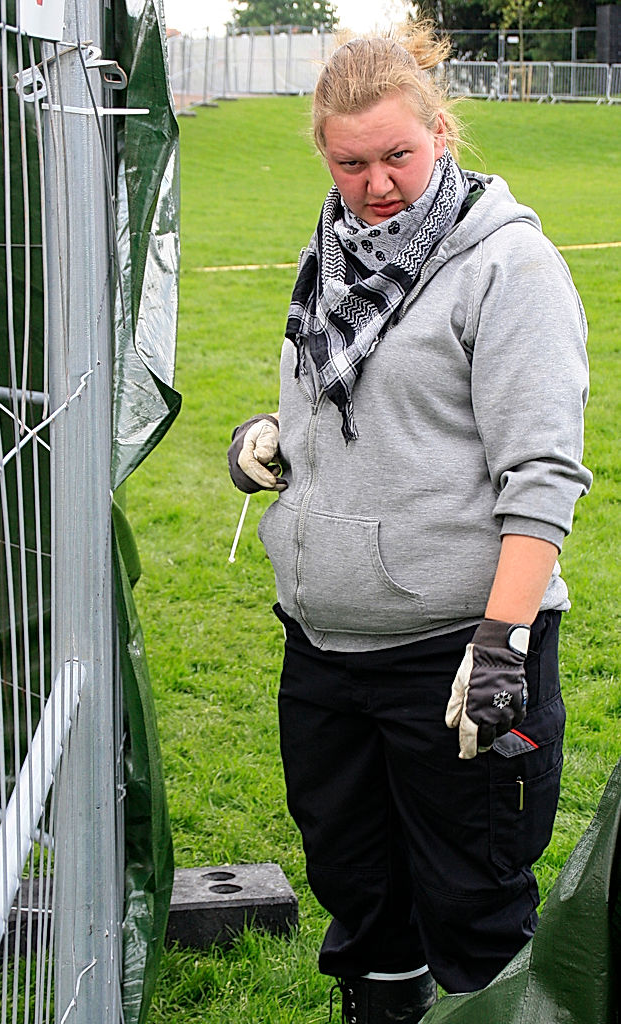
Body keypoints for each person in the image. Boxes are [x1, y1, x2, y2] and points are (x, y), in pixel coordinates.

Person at [227, 23, 592, 1024]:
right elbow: (355, 407)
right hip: (323, 646)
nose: (376, 181)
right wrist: (270, 435)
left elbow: (541, 472)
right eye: (352, 162)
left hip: (456, 655)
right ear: (322, 154)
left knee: (470, 904)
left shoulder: (505, 267)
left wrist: (501, 640)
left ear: (441, 133)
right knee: (359, 892)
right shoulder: (332, 250)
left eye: (398, 154)